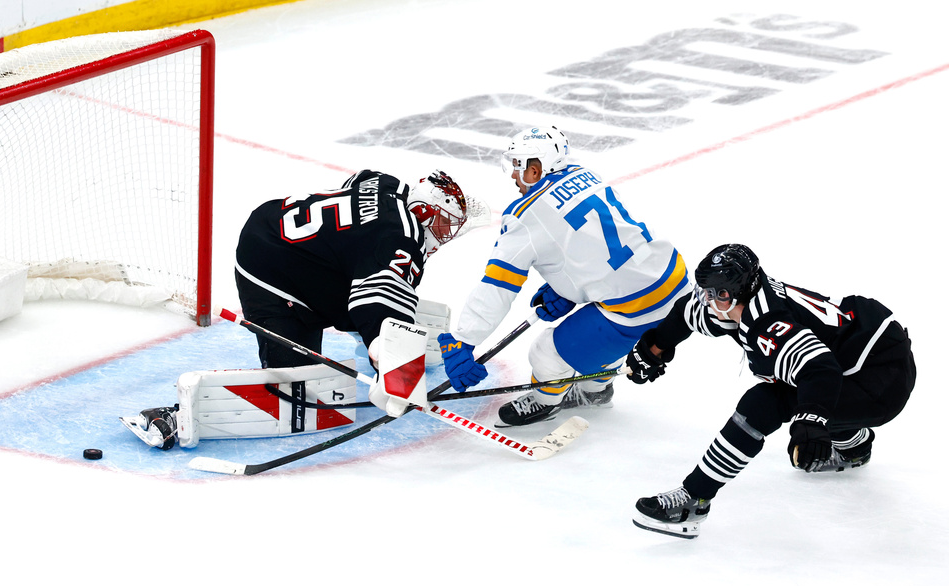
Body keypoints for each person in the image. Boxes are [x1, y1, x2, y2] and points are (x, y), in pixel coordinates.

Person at [627, 244, 915, 539]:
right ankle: (854, 448)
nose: (709, 301)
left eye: (718, 295)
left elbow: (819, 370)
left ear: (737, 293)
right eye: (707, 292)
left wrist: (811, 423)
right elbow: (685, 313)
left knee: (764, 404)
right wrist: (653, 349)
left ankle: (694, 500)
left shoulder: (767, 324)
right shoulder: (735, 301)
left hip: (881, 381)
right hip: (868, 343)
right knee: (795, 386)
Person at [438, 125, 691, 426]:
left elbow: (497, 286)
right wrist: (567, 286)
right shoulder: (585, 174)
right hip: (677, 283)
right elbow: (595, 241)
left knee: (546, 352)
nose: (512, 175)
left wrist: (464, 339)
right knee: (599, 324)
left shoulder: (523, 216)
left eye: (517, 166)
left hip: (637, 309)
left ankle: (546, 401)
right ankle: (594, 389)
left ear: (535, 169)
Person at [235, 168, 472, 369]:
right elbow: (376, 299)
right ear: (423, 211)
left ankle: (364, 325)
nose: (445, 234)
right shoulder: (403, 238)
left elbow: (359, 180)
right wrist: (388, 351)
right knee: (296, 391)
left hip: (272, 220)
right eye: (444, 223)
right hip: (268, 268)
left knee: (366, 267)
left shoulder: (390, 184)